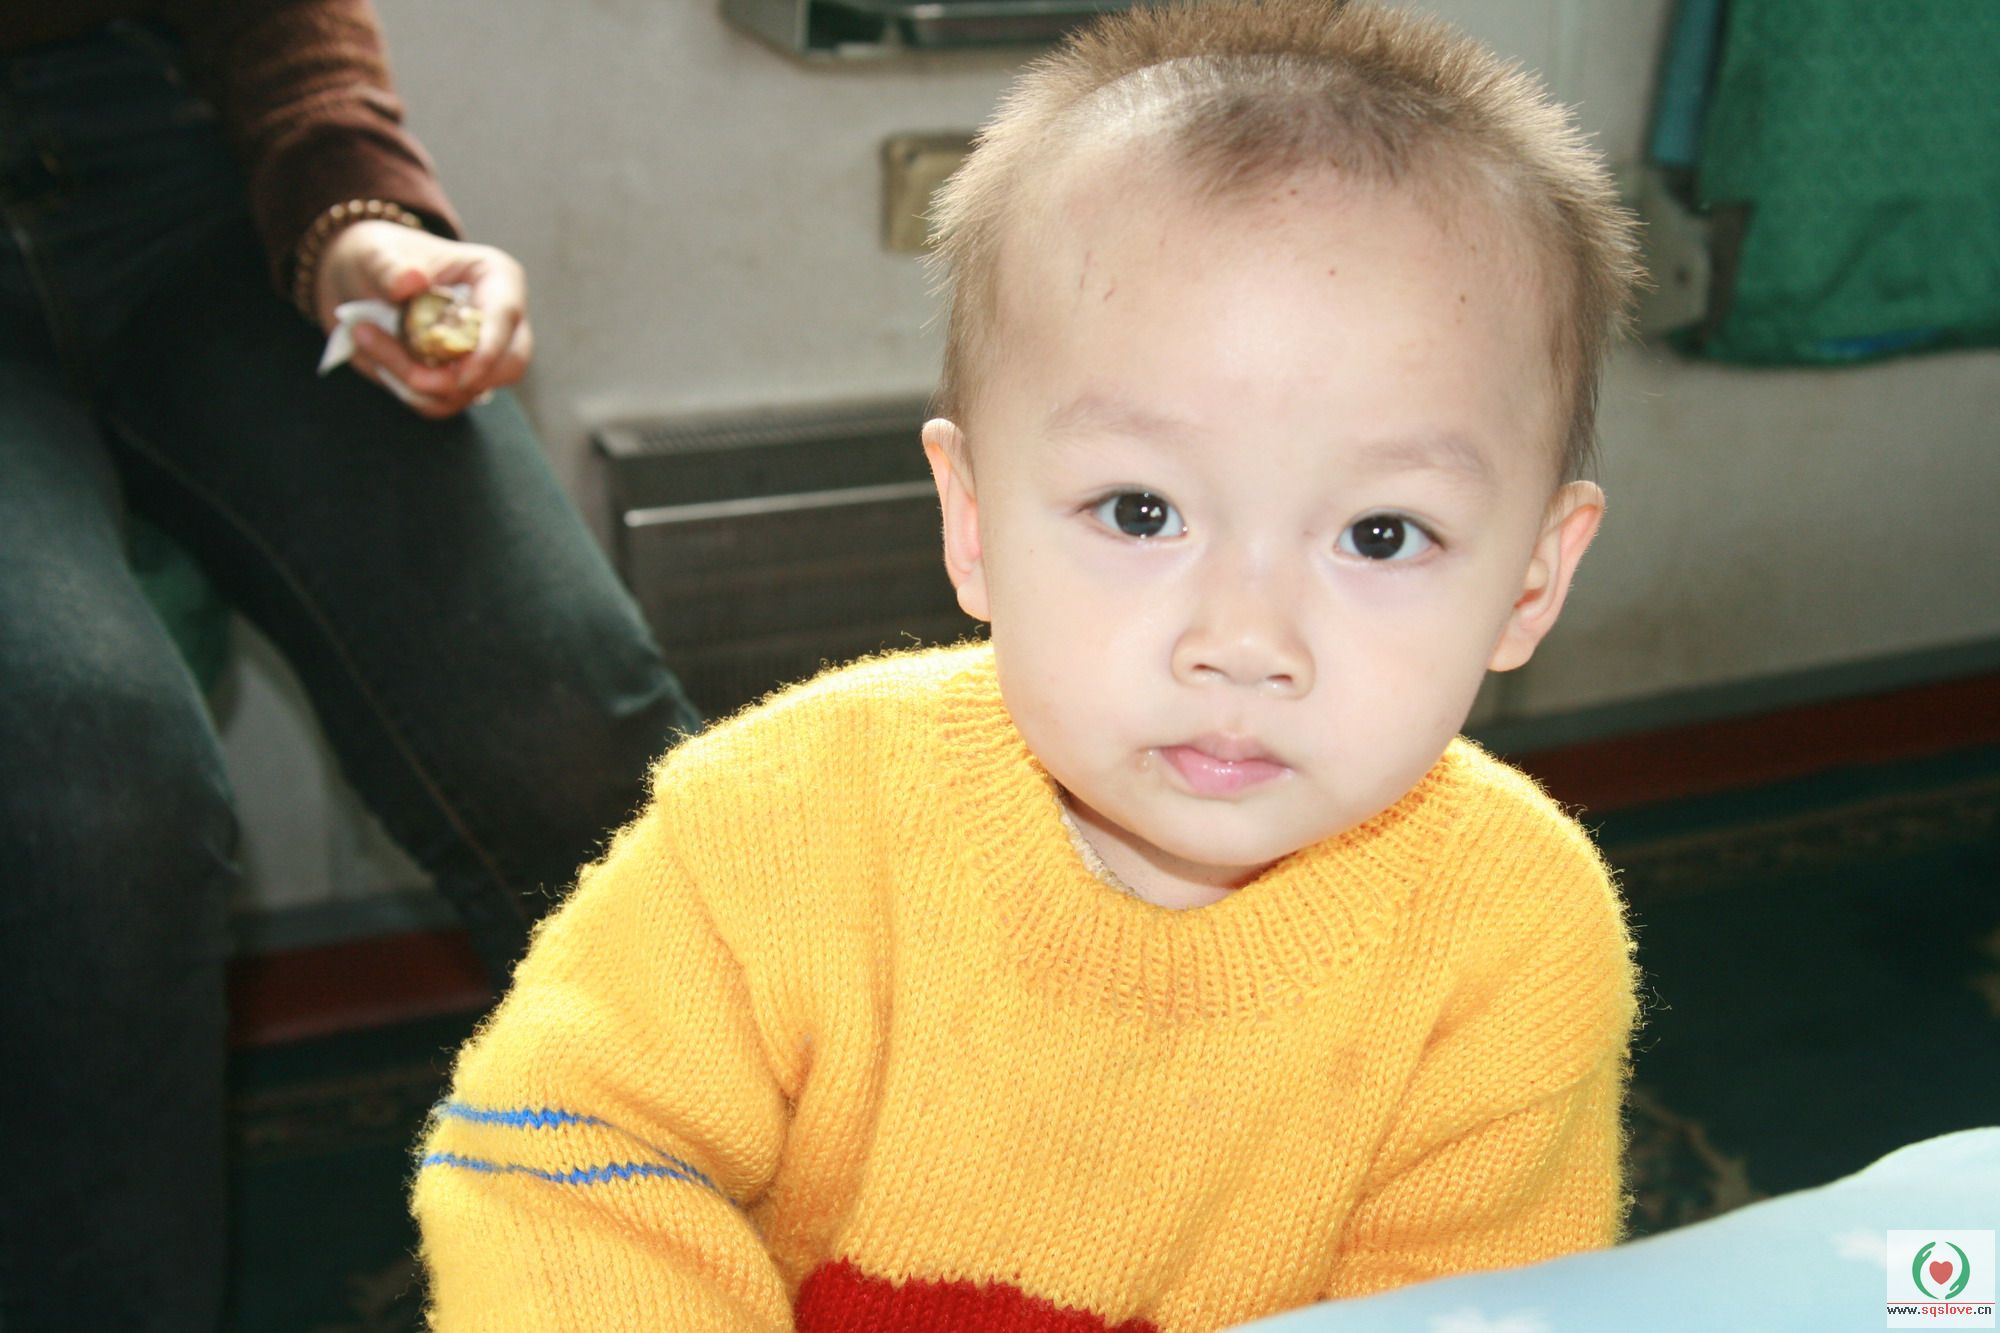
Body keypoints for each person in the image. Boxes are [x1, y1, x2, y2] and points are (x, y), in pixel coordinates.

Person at [412, 1, 1645, 1328]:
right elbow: (563, 1145)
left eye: (1381, 533)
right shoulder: (777, 823)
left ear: (1531, 583)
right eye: (1141, 512)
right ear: (973, 521)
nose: (1243, 642)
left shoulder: (1514, 934)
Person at [0, 4, 700, 1330]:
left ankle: (795, 1235)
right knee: (94, 802)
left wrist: (356, 217)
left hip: (174, 159)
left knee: (560, 715)